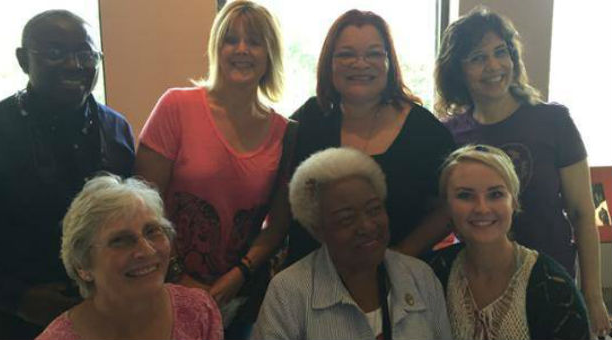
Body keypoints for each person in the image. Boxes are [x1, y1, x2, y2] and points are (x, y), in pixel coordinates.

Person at [434, 7, 611, 337]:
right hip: (475, 284)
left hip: (549, 283)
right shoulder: (448, 134)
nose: (494, 66)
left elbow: (583, 214)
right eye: (477, 57)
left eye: (500, 52)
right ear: (457, 70)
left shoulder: (554, 121)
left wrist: (593, 296)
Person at [134, 1, 291, 336]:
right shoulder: (175, 106)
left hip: (239, 297)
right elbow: (142, 208)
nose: (241, 50)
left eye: (255, 41)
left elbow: (276, 225)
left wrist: (239, 275)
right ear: (215, 47)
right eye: (230, 39)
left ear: (270, 53)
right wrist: (178, 275)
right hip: (164, 288)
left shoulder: (285, 131)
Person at [0, 10, 134, 338]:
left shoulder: (116, 128)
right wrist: (18, 299)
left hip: (103, 312)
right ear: (23, 60)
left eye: (85, 54)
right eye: (55, 53)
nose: (74, 65)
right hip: (15, 319)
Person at [284, 9, 455, 267]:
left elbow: (449, 206)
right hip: (310, 280)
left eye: (374, 53)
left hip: (393, 283)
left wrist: (400, 257)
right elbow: (281, 197)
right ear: (329, 62)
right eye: (346, 54)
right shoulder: (309, 119)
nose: (360, 63)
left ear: (389, 62)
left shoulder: (424, 130)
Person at [252, 147, 451, 339]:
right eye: (346, 218)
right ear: (317, 229)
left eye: (374, 209)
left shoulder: (420, 276)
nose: (367, 226)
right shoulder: (289, 291)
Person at [428, 144, 590, 339]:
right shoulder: (431, 275)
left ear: (514, 202)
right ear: (447, 206)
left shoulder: (554, 288)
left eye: (495, 194)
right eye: (465, 195)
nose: (482, 208)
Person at [36, 175, 223, 339]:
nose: (147, 251)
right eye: (120, 241)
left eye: (152, 231)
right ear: (82, 266)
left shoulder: (198, 311)